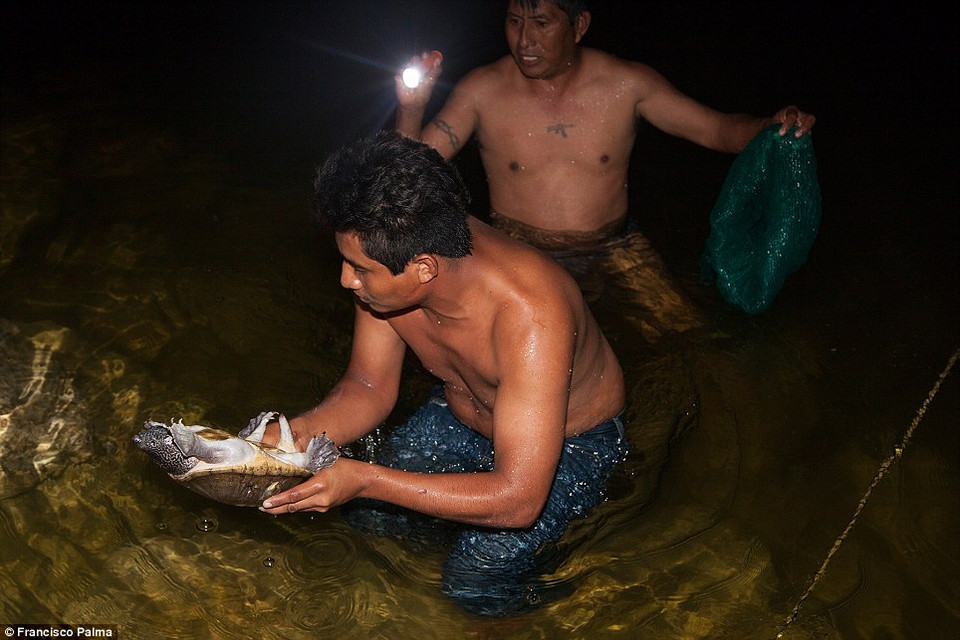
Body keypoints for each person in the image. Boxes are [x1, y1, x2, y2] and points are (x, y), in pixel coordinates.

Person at [258, 131, 628, 616]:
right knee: (370, 521)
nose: (346, 280)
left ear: (424, 268)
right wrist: (293, 436)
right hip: (459, 411)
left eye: (359, 269)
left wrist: (366, 479)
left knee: (475, 578)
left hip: (570, 445)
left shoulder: (532, 315)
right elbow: (368, 385)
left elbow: (519, 500)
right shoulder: (394, 254)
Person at [395, 0, 816, 338]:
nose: (524, 40)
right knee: (490, 343)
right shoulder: (482, 90)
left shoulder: (626, 84)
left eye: (541, 23)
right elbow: (406, 173)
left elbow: (716, 129)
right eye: (514, 21)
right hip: (520, 251)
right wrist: (412, 108)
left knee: (693, 337)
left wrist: (771, 126)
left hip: (616, 246)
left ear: (579, 25)